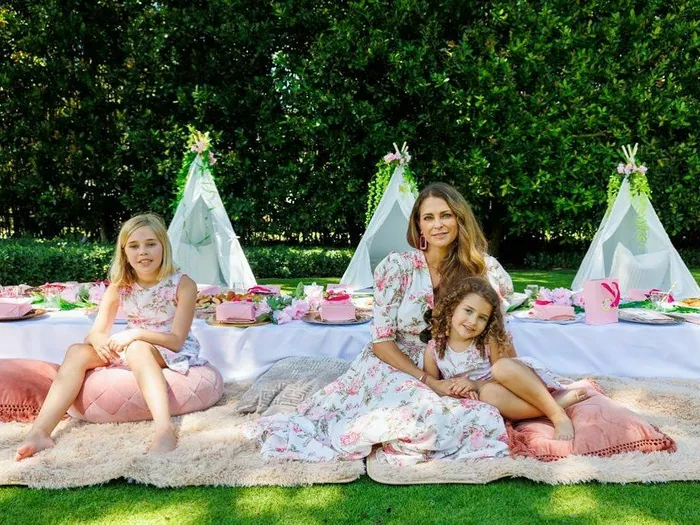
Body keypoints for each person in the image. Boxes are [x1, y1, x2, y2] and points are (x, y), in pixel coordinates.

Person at [247, 182, 513, 465]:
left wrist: (479, 380)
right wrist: (430, 382)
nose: (438, 225)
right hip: (397, 364)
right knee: (421, 414)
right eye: (428, 217)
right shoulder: (397, 267)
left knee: (481, 417)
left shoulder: (484, 269)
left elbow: (498, 334)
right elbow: (381, 342)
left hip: (458, 365)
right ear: (419, 227)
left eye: (446, 215)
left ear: (460, 218)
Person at [15, 214, 204, 461]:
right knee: (77, 351)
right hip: (131, 345)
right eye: (134, 246)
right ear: (124, 252)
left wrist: (135, 334)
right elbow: (96, 331)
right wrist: (98, 341)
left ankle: (164, 430)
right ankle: (40, 432)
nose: (143, 252)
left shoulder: (183, 284)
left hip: (168, 347)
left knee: (137, 348)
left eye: (151, 244)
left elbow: (177, 339)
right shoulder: (120, 285)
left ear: (164, 246)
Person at [423, 276, 590, 440]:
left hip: (521, 387)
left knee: (501, 367)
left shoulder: (487, 341)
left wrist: (475, 384)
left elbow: (506, 377)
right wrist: (456, 390)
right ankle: (555, 404)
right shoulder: (434, 350)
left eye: (482, 318)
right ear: (452, 308)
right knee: (488, 394)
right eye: (468, 311)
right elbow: (434, 388)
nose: (473, 321)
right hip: (497, 400)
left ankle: (557, 415)